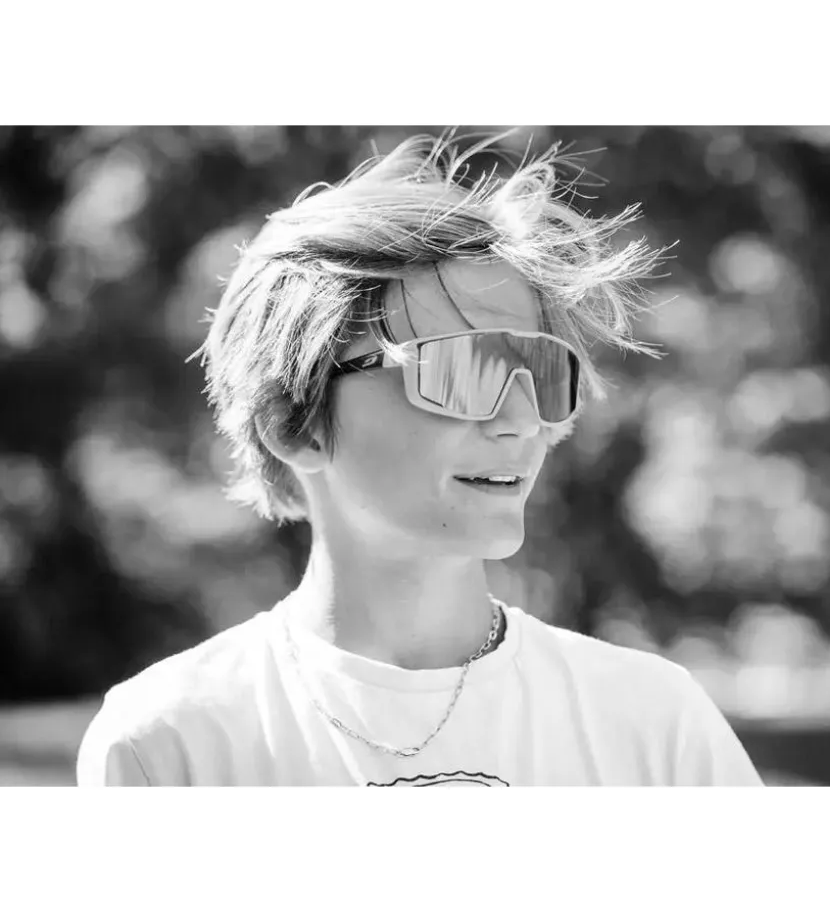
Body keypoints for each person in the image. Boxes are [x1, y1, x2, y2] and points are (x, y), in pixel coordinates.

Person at [77, 132, 763, 786]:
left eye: (543, 371)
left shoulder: (656, 726)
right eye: (463, 370)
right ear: (294, 423)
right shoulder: (168, 743)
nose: (523, 420)